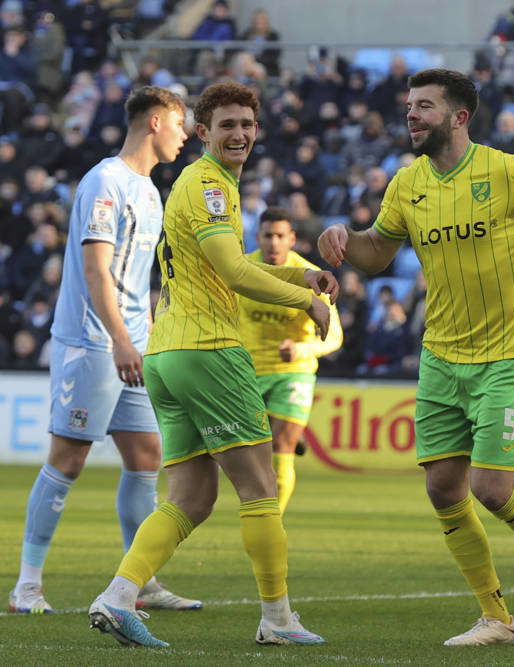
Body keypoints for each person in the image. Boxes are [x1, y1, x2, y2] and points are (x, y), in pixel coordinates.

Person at [318, 68, 514, 646]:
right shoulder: (406, 184)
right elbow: (376, 254)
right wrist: (339, 238)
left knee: (491, 487)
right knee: (442, 489)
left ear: (458, 118)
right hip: (440, 354)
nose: (411, 115)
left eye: (425, 106)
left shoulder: (504, 171)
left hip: (505, 352)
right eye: (410, 105)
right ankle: (496, 617)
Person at [87, 81, 336, 648]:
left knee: (191, 498)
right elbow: (235, 273)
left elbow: (223, 270)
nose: (240, 134)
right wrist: (308, 300)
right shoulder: (208, 185)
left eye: (248, 124)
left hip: (168, 355)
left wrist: (300, 275)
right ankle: (278, 620)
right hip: (209, 352)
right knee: (261, 487)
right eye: (227, 125)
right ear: (202, 132)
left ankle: (119, 595)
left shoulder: (202, 184)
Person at [8, 86, 201, 615]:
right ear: (156, 122)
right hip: (92, 343)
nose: (185, 137)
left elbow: (139, 278)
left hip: (133, 343)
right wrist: (120, 340)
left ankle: (141, 581)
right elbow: (97, 272)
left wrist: (147, 333)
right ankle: (27, 586)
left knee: (146, 456)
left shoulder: (150, 190)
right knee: (68, 459)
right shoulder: (104, 183)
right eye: (181, 125)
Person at [238, 207, 343, 514]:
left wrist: (301, 349)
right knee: (249, 454)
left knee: (281, 448)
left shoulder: (311, 276)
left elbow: (335, 336)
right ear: (258, 237)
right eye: (268, 236)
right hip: (247, 371)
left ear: (292, 239)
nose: (273, 242)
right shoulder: (241, 270)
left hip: (293, 372)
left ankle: (273, 520)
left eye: (280, 236)